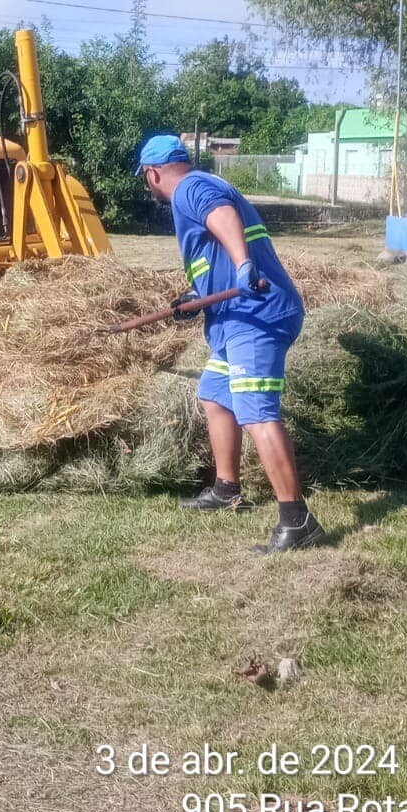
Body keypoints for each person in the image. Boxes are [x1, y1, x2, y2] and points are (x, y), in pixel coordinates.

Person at [136, 133, 326, 554]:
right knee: (215, 395)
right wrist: (195, 297)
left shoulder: (190, 188)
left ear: (152, 174)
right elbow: (212, 256)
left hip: (255, 315)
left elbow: (222, 216)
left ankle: (298, 521)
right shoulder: (199, 185)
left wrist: (242, 265)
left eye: (145, 178)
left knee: (255, 411)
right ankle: (226, 490)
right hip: (233, 318)